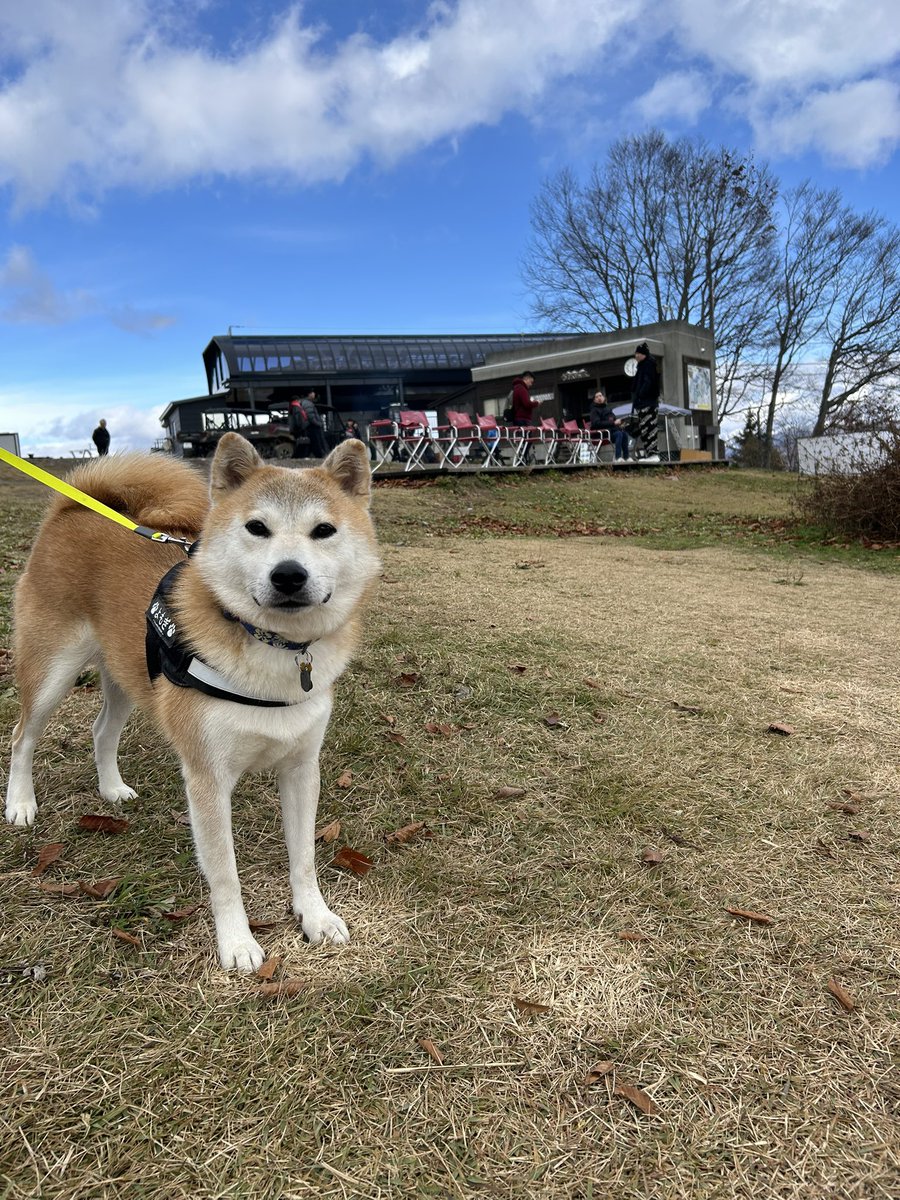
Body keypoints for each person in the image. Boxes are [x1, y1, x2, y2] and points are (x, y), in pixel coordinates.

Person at [631, 343, 660, 463]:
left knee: (649, 428)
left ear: (643, 354)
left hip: (648, 402)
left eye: (638, 353)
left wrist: (640, 394)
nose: (636, 355)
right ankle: (650, 454)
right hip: (644, 403)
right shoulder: (643, 365)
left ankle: (654, 453)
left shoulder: (648, 365)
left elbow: (648, 382)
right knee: (645, 429)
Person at [587, 389, 629, 462]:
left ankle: (626, 457)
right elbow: (596, 423)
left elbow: (614, 420)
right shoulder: (594, 410)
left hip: (610, 432)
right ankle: (617, 457)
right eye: (597, 397)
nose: (599, 398)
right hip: (600, 434)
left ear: (604, 398)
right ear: (594, 400)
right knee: (619, 434)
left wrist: (620, 424)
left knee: (624, 434)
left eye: (600, 396)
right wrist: (613, 423)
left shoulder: (608, 409)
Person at [509, 371, 540, 463]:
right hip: (522, 419)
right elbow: (526, 403)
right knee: (527, 440)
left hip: (519, 418)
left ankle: (522, 458)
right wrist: (536, 403)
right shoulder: (521, 388)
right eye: (531, 382)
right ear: (526, 379)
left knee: (524, 440)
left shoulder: (516, 388)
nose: (531, 384)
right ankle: (522, 459)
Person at [289, 392, 328, 459]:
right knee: (315, 443)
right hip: (309, 427)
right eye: (313, 393)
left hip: (303, 427)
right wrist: (319, 424)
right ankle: (321, 456)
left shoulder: (297, 405)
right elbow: (310, 416)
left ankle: (301, 457)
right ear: (309, 394)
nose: (314, 394)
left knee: (307, 444)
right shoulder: (306, 403)